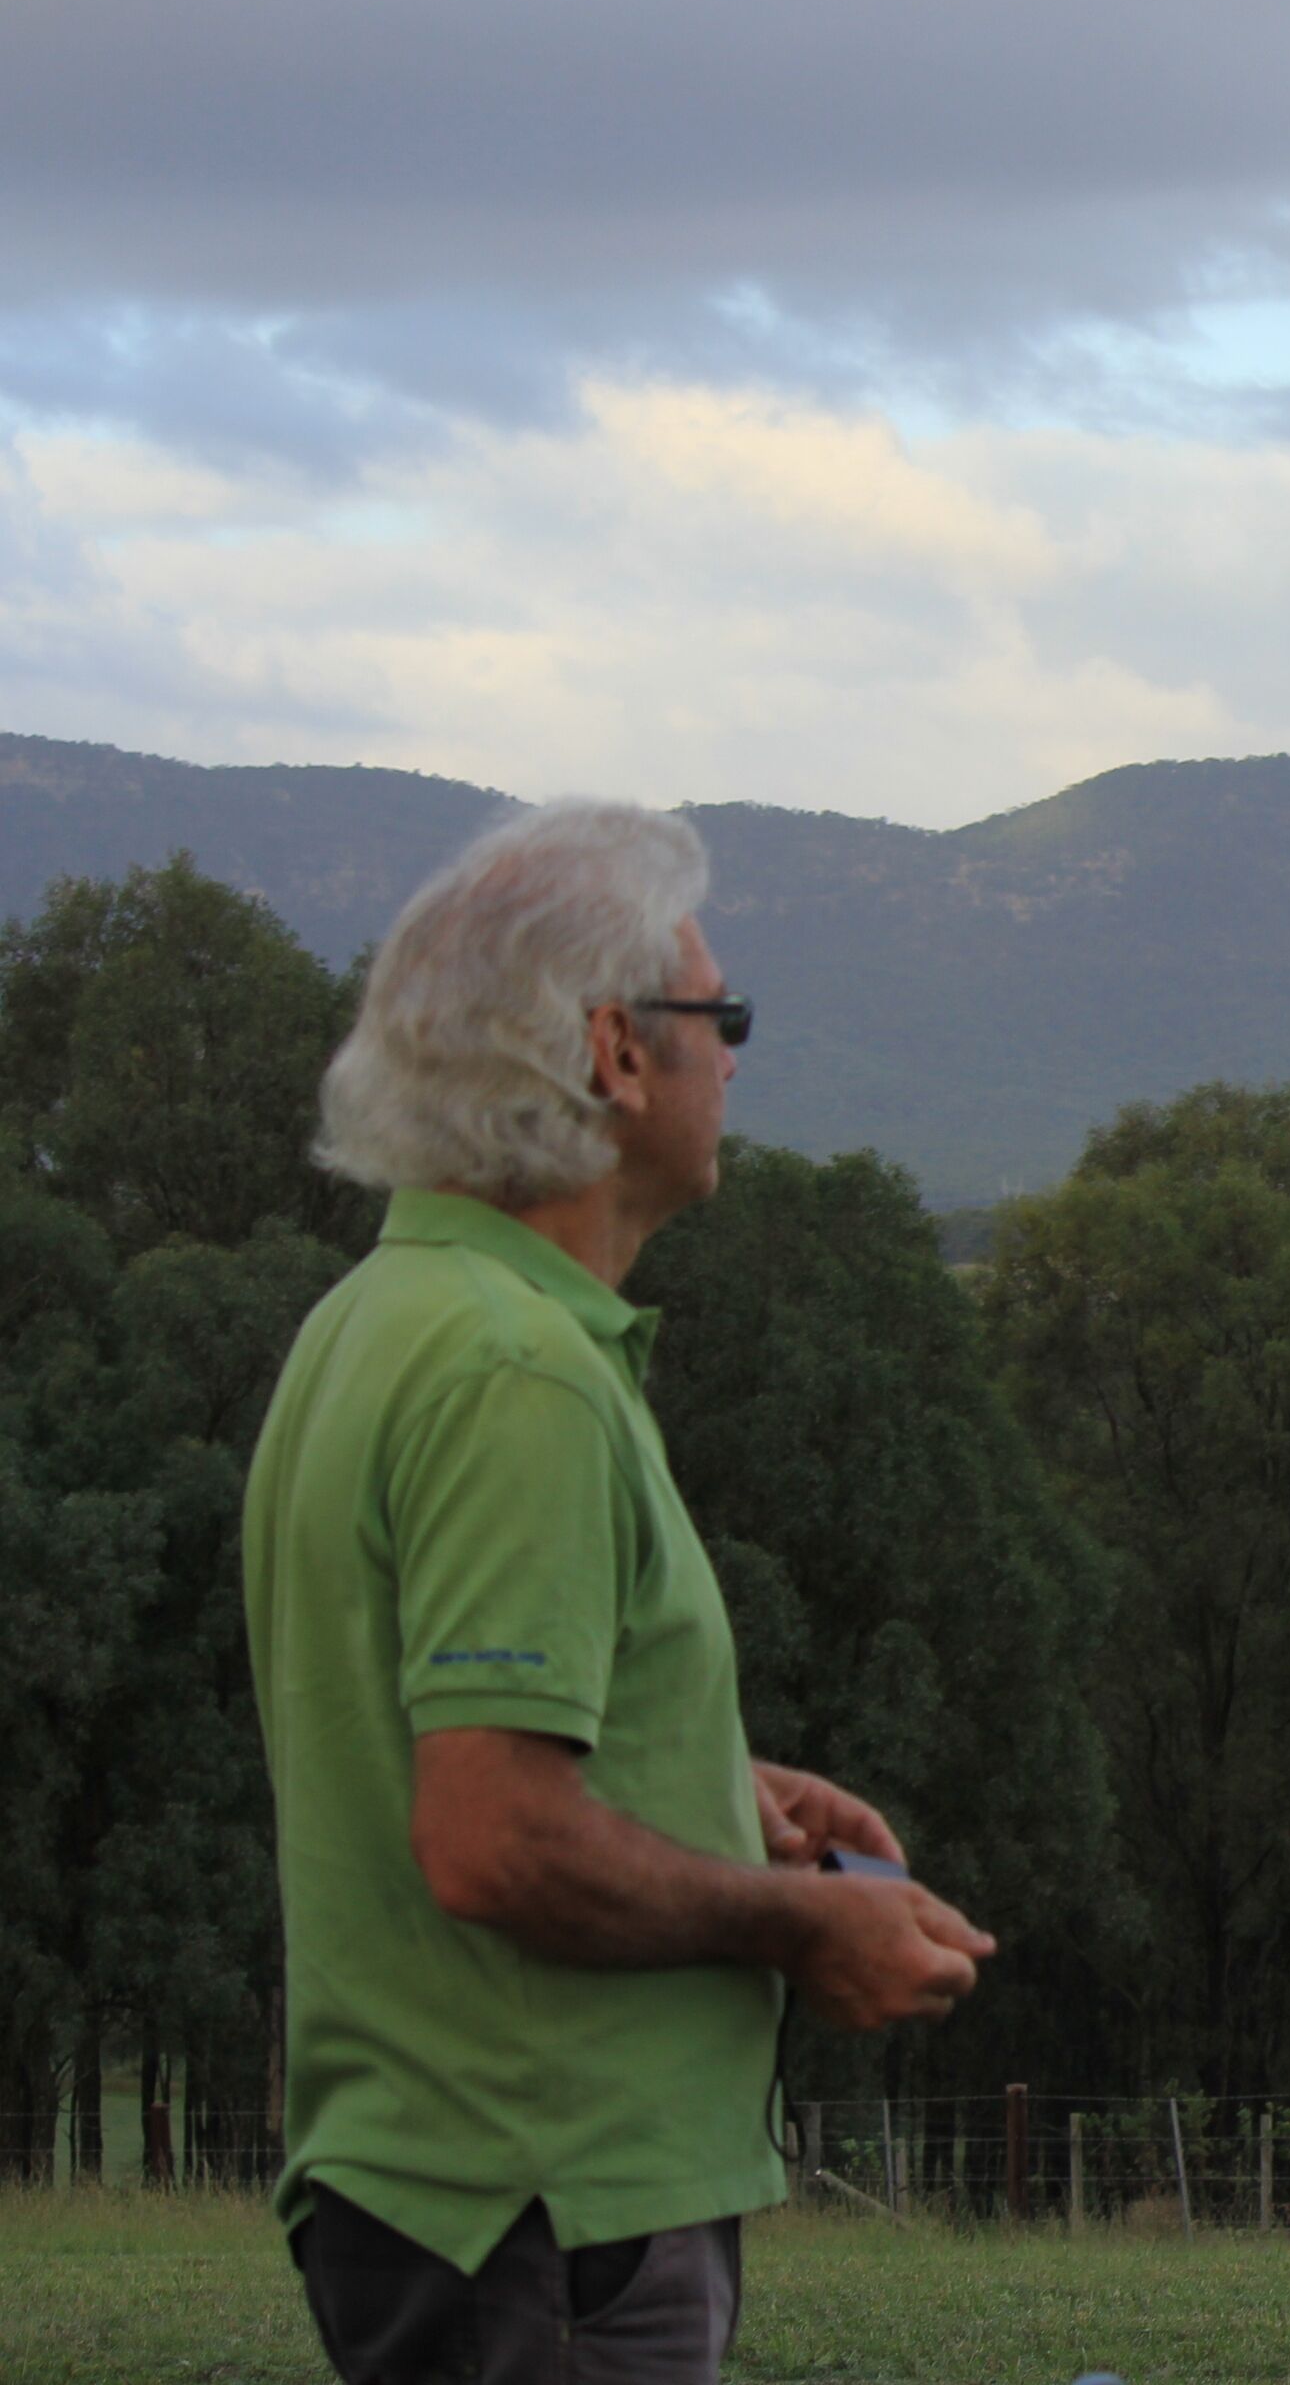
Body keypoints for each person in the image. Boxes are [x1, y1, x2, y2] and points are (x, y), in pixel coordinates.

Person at [244, 800, 995, 2385]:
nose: (737, 1056)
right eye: (720, 1018)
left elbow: (449, 1745)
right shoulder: (520, 1372)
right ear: (616, 1056)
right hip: (547, 2214)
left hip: (450, 2199)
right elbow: (493, 1837)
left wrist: (725, 1794)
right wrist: (797, 1925)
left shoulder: (379, 1321)